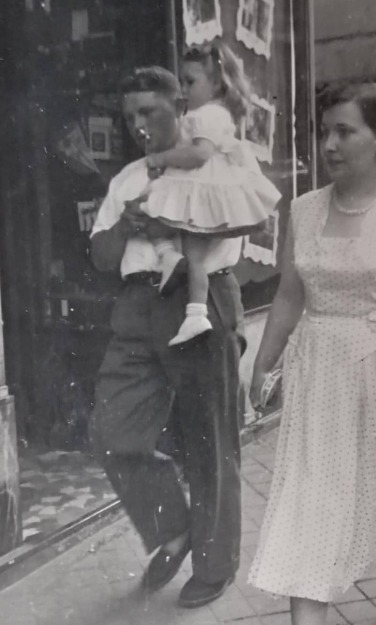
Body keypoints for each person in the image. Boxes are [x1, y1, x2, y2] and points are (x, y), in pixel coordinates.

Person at [247, 82, 376, 625]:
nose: (329, 145)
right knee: (309, 500)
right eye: (324, 132)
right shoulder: (304, 210)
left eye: (345, 131)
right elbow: (290, 295)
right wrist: (264, 362)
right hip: (318, 376)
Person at [88, 65, 245, 609]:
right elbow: (101, 258)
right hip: (136, 307)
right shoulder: (127, 178)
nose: (138, 124)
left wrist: (172, 226)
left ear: (181, 107)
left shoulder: (213, 162)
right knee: (111, 429)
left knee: (210, 440)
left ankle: (216, 564)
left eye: (149, 111)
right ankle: (173, 528)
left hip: (198, 296)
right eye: (129, 115)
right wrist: (128, 225)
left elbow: (247, 219)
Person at [139, 41, 280, 346]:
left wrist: (162, 159)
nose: (183, 90)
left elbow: (199, 154)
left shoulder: (208, 115)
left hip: (202, 192)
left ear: (216, 83)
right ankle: (173, 268)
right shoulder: (209, 114)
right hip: (196, 187)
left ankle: (196, 312)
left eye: (190, 82)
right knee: (158, 224)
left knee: (194, 255)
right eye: (181, 83)